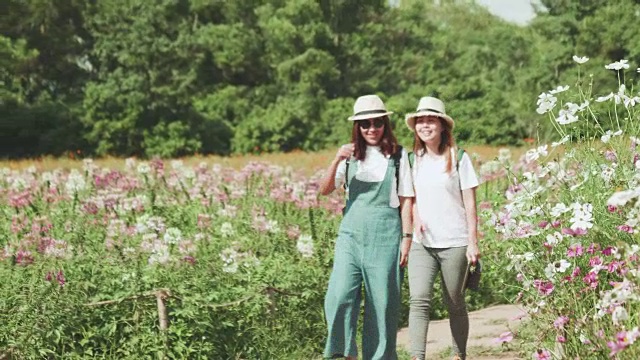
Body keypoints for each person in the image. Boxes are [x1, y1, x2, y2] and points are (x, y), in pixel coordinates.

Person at [318, 94, 414, 360]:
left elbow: (407, 200)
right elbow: (324, 190)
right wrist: (336, 158)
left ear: (385, 123)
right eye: (365, 124)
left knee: (383, 302)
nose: (372, 128)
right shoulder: (350, 157)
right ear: (357, 127)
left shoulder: (398, 155)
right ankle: (346, 352)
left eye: (377, 122)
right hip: (351, 234)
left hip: (386, 234)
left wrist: (407, 238)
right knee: (338, 296)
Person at [404, 96, 480, 360]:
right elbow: (409, 198)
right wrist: (416, 219)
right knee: (419, 300)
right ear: (415, 127)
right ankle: (417, 356)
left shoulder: (459, 158)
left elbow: (470, 204)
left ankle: (459, 354)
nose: (425, 125)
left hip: (455, 241)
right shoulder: (411, 159)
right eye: (420, 121)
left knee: (454, 301)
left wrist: (473, 242)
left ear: (442, 125)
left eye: (430, 120)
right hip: (421, 243)